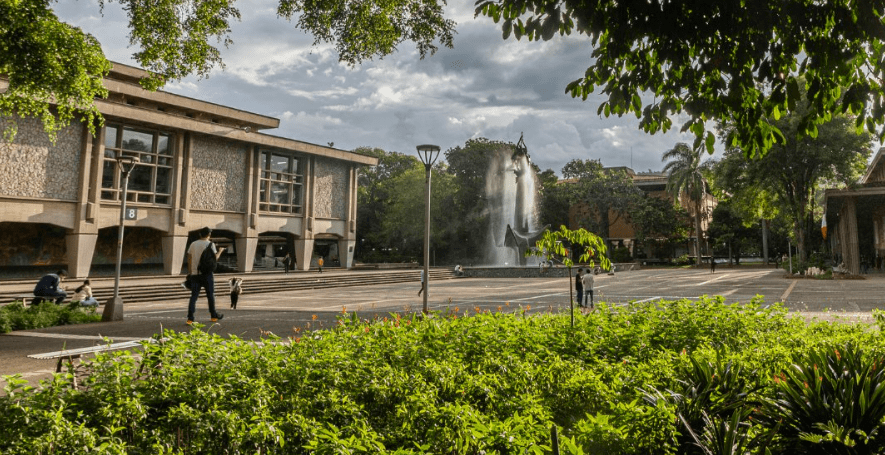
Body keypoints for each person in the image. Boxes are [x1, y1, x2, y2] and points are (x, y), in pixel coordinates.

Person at [185, 227, 225, 325]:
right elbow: (214, 259)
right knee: (210, 296)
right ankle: (213, 316)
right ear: (209, 235)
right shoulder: (210, 244)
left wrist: (190, 271)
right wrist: (220, 251)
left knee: (194, 296)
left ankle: (190, 318)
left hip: (195, 274)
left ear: (200, 234)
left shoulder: (193, 244)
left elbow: (189, 258)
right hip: (207, 274)